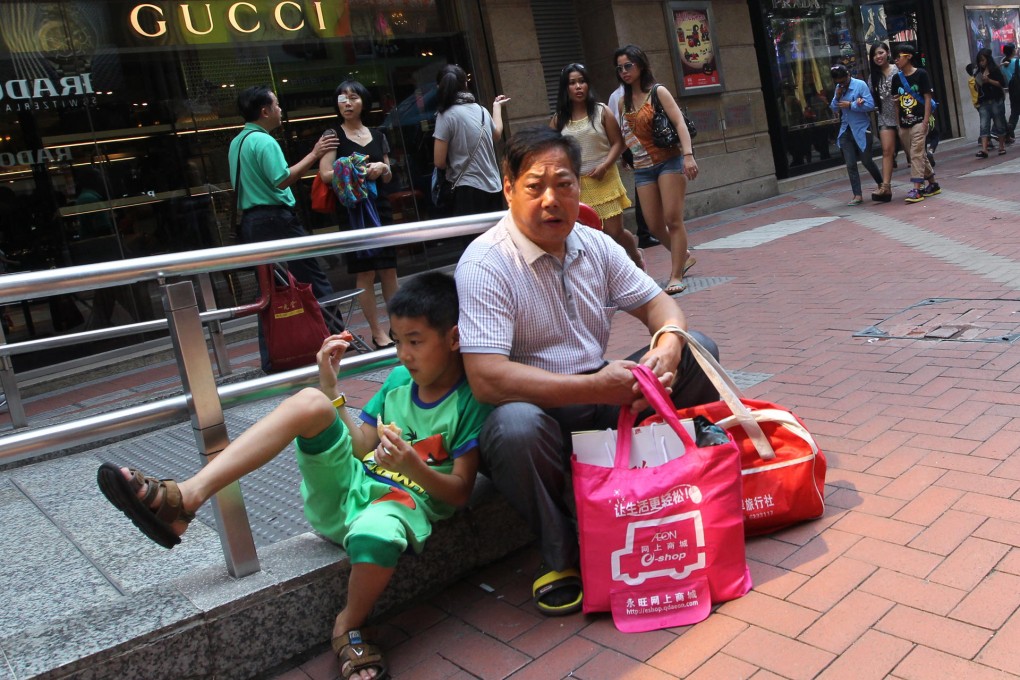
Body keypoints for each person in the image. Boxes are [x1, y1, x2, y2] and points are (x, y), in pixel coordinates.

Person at [97, 271, 490, 680]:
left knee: (379, 529)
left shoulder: (470, 401)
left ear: (454, 338)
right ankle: (187, 498)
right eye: (397, 340)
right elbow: (359, 447)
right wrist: (330, 387)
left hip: (400, 507)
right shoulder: (396, 382)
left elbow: (460, 493)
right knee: (309, 401)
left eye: (415, 341)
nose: (404, 354)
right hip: (346, 490)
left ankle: (348, 625)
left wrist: (411, 466)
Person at [455, 126, 718, 616]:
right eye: (535, 187)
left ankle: (660, 487)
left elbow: (663, 307)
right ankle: (560, 553)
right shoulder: (487, 263)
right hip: (538, 412)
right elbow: (486, 378)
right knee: (513, 427)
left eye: (565, 183)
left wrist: (667, 346)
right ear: (508, 189)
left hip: (601, 395)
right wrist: (595, 385)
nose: (552, 200)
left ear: (581, 186)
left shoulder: (595, 246)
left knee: (699, 349)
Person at [228, 85, 339, 370]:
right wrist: (315, 154)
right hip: (276, 220)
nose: (279, 110)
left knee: (269, 292)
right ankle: (337, 338)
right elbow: (281, 179)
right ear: (264, 111)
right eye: (276, 105)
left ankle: (274, 356)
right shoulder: (264, 142)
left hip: (253, 222)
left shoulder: (237, 142)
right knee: (313, 278)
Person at [318, 80, 398, 350]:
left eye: (353, 98)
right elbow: (325, 174)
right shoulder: (333, 135)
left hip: (380, 208)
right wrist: (352, 166)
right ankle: (377, 332)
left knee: (389, 270)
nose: (347, 103)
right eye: (342, 98)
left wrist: (381, 168)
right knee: (366, 272)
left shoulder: (378, 134)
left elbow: (389, 173)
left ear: (364, 101)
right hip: (354, 212)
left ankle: (397, 327)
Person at [614, 44, 697, 295]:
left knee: (672, 219)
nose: (624, 72)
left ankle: (676, 274)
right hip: (642, 168)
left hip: (669, 161)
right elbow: (626, 133)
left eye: (628, 66)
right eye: (619, 68)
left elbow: (679, 122)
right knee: (653, 225)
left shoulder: (658, 92)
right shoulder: (622, 102)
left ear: (640, 64)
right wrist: (625, 155)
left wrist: (688, 155)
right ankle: (684, 255)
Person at [551, 64, 641, 268]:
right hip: (577, 185)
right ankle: (608, 273)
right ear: (565, 88)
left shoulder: (601, 111)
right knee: (590, 235)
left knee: (614, 232)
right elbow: (553, 151)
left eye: (582, 81)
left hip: (605, 178)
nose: (578, 87)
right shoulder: (558, 120)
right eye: (572, 83)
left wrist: (605, 165)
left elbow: (618, 142)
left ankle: (635, 256)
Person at [433, 64, 509, 216]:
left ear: (439, 87)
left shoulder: (445, 116)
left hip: (466, 190)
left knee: (472, 238)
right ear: (466, 84)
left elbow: (439, 161)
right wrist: (496, 107)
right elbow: (497, 134)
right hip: (494, 186)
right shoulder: (482, 111)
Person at [608, 84, 660, 249]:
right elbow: (616, 127)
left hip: (648, 144)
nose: (625, 72)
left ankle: (649, 230)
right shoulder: (617, 97)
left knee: (648, 185)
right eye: (621, 68)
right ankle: (645, 232)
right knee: (644, 185)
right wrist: (623, 152)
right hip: (632, 146)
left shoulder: (649, 91)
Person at [829, 64, 882, 207]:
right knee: (851, 164)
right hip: (846, 130)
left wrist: (852, 105)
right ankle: (857, 195)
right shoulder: (839, 89)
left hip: (861, 128)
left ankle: (882, 184)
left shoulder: (860, 85)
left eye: (843, 81)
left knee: (866, 160)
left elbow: (870, 105)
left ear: (848, 75)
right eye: (838, 82)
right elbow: (834, 108)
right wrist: (837, 97)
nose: (842, 84)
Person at [893, 44, 940, 203]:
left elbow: (927, 98)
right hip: (904, 123)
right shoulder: (896, 78)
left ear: (909, 57)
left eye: (898, 57)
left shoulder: (921, 74)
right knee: (919, 154)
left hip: (919, 121)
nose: (896, 60)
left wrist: (926, 120)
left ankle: (917, 189)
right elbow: (896, 103)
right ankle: (933, 184)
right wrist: (898, 124)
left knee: (916, 154)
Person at [868, 42, 899, 202]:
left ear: (887, 53)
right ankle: (886, 187)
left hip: (903, 116)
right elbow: (870, 99)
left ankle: (929, 180)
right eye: (874, 55)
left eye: (880, 53)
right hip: (885, 117)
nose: (878, 57)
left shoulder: (897, 70)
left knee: (911, 152)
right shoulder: (873, 77)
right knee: (887, 151)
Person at [975, 47, 1008, 159]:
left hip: (996, 100)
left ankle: (1002, 146)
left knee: (999, 123)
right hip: (984, 101)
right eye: (980, 60)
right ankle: (984, 150)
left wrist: (989, 81)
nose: (981, 63)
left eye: (983, 60)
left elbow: (1002, 83)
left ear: (988, 59)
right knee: (984, 125)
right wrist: (978, 84)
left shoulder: (994, 70)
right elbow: (977, 89)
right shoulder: (978, 72)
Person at [1001, 43, 1019, 143]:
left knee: (1014, 113)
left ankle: (1008, 131)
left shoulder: (1003, 65)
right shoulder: (1017, 62)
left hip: (1013, 92)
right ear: (1013, 51)